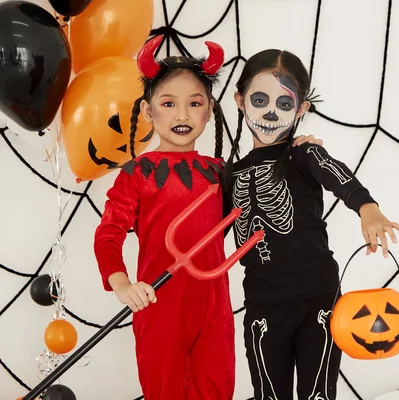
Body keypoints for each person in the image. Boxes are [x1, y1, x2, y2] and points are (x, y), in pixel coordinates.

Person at [93, 37, 324, 400]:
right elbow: (109, 233)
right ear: (149, 111)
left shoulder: (222, 173)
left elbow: (263, 198)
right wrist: (123, 285)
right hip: (158, 304)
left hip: (214, 309)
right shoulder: (138, 173)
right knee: (164, 389)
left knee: (216, 387)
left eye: (194, 103)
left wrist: (296, 150)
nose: (182, 115)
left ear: (209, 110)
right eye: (168, 104)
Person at [222, 49, 399, 400]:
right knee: (269, 396)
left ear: (302, 109)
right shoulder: (231, 174)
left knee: (318, 395)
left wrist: (368, 208)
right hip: (262, 307)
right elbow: (208, 232)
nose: (271, 112)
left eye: (284, 103)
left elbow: (339, 178)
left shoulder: (305, 153)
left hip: (318, 302)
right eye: (259, 100)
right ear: (240, 101)